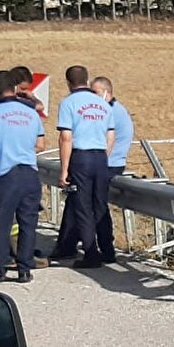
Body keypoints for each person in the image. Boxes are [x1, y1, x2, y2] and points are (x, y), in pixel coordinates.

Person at [0, 71, 45, 283]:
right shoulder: (31, 113)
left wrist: (3, 148)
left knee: (2, 222)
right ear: (16, 88)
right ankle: (24, 269)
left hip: (5, 174)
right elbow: (41, 144)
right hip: (30, 173)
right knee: (28, 223)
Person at [55, 65, 115, 269]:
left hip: (81, 157)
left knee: (83, 207)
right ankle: (107, 249)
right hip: (100, 157)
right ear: (87, 80)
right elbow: (110, 135)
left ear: (68, 83)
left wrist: (64, 170)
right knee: (100, 204)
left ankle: (91, 254)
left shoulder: (68, 103)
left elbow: (66, 137)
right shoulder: (103, 104)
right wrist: (104, 156)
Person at [92, 76, 133, 265]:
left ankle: (106, 248)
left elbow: (105, 140)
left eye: (95, 92)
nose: (92, 97)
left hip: (110, 164)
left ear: (106, 92)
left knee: (98, 205)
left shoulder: (111, 112)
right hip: (107, 162)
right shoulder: (112, 109)